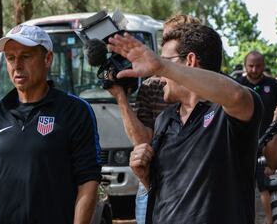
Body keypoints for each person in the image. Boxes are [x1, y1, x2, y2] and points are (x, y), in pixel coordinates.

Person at [108, 24, 263, 223]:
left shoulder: (227, 112)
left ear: (190, 60)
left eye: (163, 63)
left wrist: (163, 66)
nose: (157, 76)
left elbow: (236, 95)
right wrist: (145, 176)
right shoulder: (164, 120)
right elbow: (165, 193)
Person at [0, 24, 102, 224]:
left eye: (26, 56)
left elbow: (88, 182)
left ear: (48, 59)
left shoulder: (75, 111)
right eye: (10, 58)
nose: (17, 66)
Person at [107, 14, 200, 224]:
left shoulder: (210, 88)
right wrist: (120, 96)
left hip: (195, 184)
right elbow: (143, 142)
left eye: (172, 41)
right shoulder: (152, 86)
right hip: (152, 181)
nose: (163, 50)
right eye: (164, 40)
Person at [237, 50, 277, 224]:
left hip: (266, 146)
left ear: (263, 65)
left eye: (258, 65)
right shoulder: (236, 85)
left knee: (266, 188)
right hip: (242, 145)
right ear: (245, 65)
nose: (254, 69)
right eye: (251, 66)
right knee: (240, 188)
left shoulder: (275, 85)